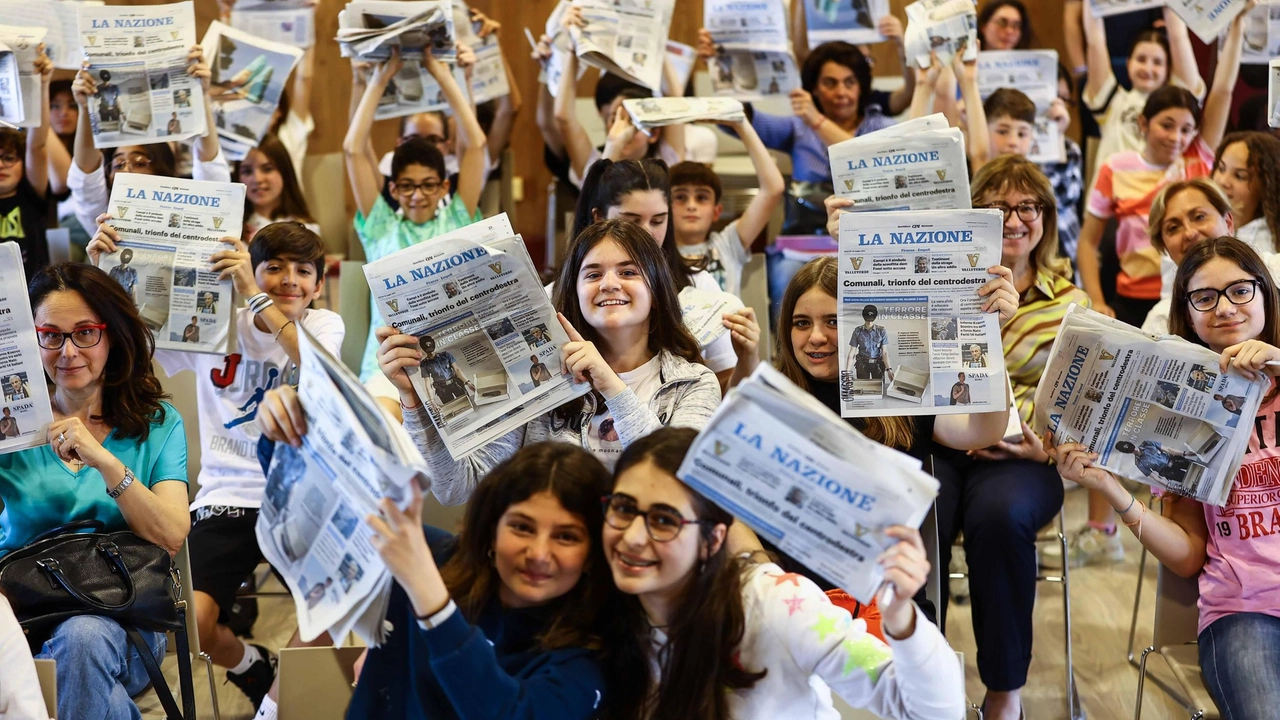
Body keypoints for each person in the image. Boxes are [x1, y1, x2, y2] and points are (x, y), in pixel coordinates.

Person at [838, 155, 1085, 719]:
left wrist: (1042, 445)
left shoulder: (1070, 302)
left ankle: (1005, 693)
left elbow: (1081, 410)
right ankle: (924, 686)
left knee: (997, 518)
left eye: (1028, 206)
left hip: (1023, 460)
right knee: (920, 511)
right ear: (972, 217)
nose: (1015, 218)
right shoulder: (927, 277)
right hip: (942, 443)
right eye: (997, 207)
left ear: (1046, 216)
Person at [88, 221, 344, 712]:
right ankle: (253, 666)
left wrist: (253, 293)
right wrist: (108, 267)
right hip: (227, 496)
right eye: (274, 267)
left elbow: (321, 374)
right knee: (194, 623)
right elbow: (131, 338)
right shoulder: (217, 325)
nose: (289, 279)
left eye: (302, 271)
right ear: (253, 266)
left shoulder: (323, 325)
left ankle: (273, 707)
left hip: (304, 495)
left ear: (317, 285)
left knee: (333, 613)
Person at [254, 388, 614, 719]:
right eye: (521, 527)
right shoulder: (433, 556)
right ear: (491, 528)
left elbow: (511, 713)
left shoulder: (590, 650)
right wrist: (283, 431)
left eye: (566, 537)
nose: (538, 554)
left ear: (592, 552)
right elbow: (318, 512)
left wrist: (430, 597)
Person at [1047, 235, 1280, 719]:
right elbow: (1188, 556)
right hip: (1245, 611)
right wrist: (1109, 488)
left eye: (1240, 290)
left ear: (1265, 292)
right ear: (1188, 314)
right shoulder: (1177, 414)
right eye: (1204, 297)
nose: (1224, 308)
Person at [599, 427, 965, 720]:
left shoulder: (774, 603)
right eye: (623, 508)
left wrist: (901, 617)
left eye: (664, 520)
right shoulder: (598, 608)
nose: (631, 537)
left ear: (713, 538)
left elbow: (932, 710)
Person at [377, 219, 720, 507]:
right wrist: (414, 401)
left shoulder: (694, 382)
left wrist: (612, 387)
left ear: (658, 292)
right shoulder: (539, 371)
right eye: (593, 274)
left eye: (628, 272)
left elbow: (681, 486)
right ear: (575, 292)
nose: (610, 284)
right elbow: (457, 487)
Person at [0, 263, 190, 720]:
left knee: (84, 637)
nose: (67, 351)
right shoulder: (11, 428)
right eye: (51, 334)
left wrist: (104, 460)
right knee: (85, 658)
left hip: (129, 616)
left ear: (113, 335)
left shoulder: (158, 423)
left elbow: (171, 534)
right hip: (21, 620)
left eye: (85, 333)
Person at [345, 46, 486, 384]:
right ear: (392, 190)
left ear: (443, 187)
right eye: (407, 186)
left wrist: (441, 73)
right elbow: (353, 149)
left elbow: (477, 146)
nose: (417, 195)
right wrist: (379, 79)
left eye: (428, 185)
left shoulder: (457, 219)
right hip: (388, 368)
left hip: (455, 360)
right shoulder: (381, 227)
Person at [572, 158, 757, 390]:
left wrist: (748, 358)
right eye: (631, 221)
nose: (647, 233)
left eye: (658, 220)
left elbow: (723, 395)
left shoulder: (697, 286)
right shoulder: (565, 290)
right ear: (600, 219)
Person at [696, 35, 894, 234]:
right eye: (830, 83)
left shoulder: (883, 128)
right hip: (802, 245)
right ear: (814, 89)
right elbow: (738, 121)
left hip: (869, 240)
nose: (841, 92)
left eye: (849, 82)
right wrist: (722, 67)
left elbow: (872, 160)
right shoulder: (798, 127)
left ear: (861, 87)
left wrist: (817, 121)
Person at [1078, 86, 1214, 327]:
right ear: (1144, 123)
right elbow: (1087, 242)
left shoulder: (1197, 164)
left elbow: (1222, 92)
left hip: (1195, 291)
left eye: (1186, 129)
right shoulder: (1115, 167)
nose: (1176, 137)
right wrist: (1097, 302)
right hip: (1131, 299)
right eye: (1166, 125)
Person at [68, 45, 229, 240]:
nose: (126, 170)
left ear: (162, 170)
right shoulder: (102, 220)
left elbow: (213, 178)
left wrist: (200, 94)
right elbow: (86, 179)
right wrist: (85, 109)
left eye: (140, 163)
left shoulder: (189, 217)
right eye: (118, 164)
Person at [551, 7, 688, 190]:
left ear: (653, 134)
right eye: (614, 118)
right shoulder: (593, 167)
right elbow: (563, 117)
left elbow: (675, 99)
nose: (622, 128)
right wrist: (572, 45)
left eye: (632, 121)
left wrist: (656, 38)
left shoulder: (666, 165)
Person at [1080, 3, 1204, 185]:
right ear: (1128, 63)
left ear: (1168, 69)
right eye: (1141, 59)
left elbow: (1179, 37)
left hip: (1162, 203)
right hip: (1114, 204)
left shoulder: (1180, 105)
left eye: (1157, 62)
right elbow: (1095, 41)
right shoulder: (1112, 103)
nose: (1148, 68)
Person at [669, 115, 784, 298]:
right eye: (681, 197)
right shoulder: (656, 252)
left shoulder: (727, 244)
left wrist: (741, 125)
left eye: (701, 198)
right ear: (664, 208)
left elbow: (773, 188)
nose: (691, 206)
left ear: (716, 212)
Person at [0, 44, 54, 280]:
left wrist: (42, 85)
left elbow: (37, 145)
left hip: (34, 297)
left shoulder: (30, 196)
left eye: (9, 158)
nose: (1, 165)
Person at [239, 134, 319, 242]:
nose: (257, 179)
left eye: (267, 169)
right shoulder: (229, 229)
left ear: (285, 172)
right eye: (247, 171)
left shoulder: (306, 230)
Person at [1211, 131, 1280, 256]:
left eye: (1240, 176)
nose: (1223, 181)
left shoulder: (1270, 243)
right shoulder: (1201, 227)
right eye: (1221, 169)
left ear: (1266, 186)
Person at [415, 335, 474, 411]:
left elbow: (457, 370)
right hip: (442, 389)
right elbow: (427, 382)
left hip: (455, 384)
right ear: (423, 349)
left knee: (468, 404)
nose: (430, 351)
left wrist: (468, 383)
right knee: (453, 410)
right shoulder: (424, 364)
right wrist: (432, 401)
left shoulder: (445, 355)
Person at [845, 304, 891, 380]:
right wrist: (847, 371)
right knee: (862, 388)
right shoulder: (858, 331)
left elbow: (885, 352)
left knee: (878, 388)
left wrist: (889, 370)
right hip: (862, 364)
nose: (869, 322)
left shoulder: (881, 331)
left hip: (877, 364)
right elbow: (852, 352)